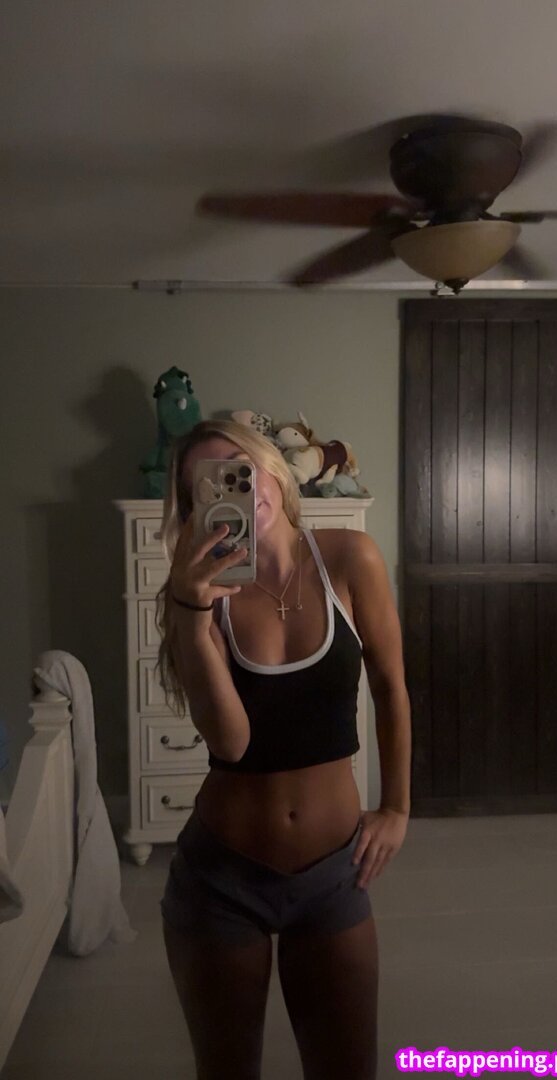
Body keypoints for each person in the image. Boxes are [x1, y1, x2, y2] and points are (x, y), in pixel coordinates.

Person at [156, 419, 411, 1080]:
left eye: (241, 467)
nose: (237, 488)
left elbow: (391, 685)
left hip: (334, 874)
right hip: (221, 876)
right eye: (212, 482)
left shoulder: (350, 558)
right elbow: (231, 741)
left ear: (273, 467)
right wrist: (191, 612)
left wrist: (397, 807)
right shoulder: (196, 595)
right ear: (192, 505)